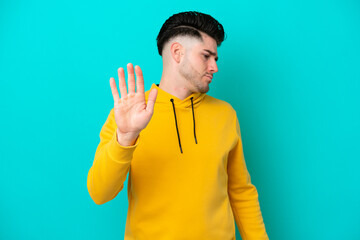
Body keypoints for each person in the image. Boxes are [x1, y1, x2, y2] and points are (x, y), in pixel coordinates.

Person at [87, 11, 269, 240]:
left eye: (216, 58)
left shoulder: (225, 115)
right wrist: (125, 136)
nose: (215, 67)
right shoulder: (127, 116)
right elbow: (100, 193)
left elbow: (241, 191)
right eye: (206, 56)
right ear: (177, 52)